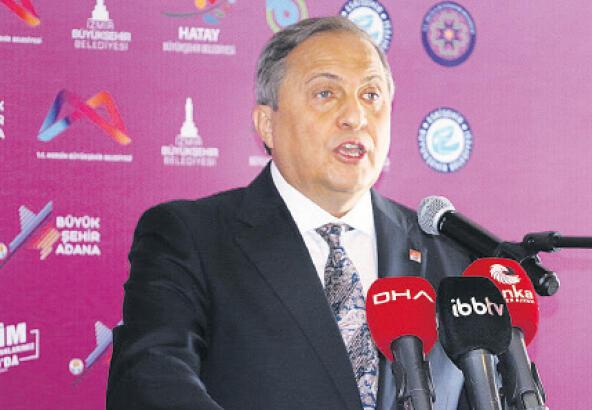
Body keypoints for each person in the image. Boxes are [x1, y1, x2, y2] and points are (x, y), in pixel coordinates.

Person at [107, 16, 472, 410]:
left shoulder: (449, 257)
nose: (356, 116)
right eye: (326, 93)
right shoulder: (191, 238)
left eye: (371, 95)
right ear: (267, 124)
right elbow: (149, 381)